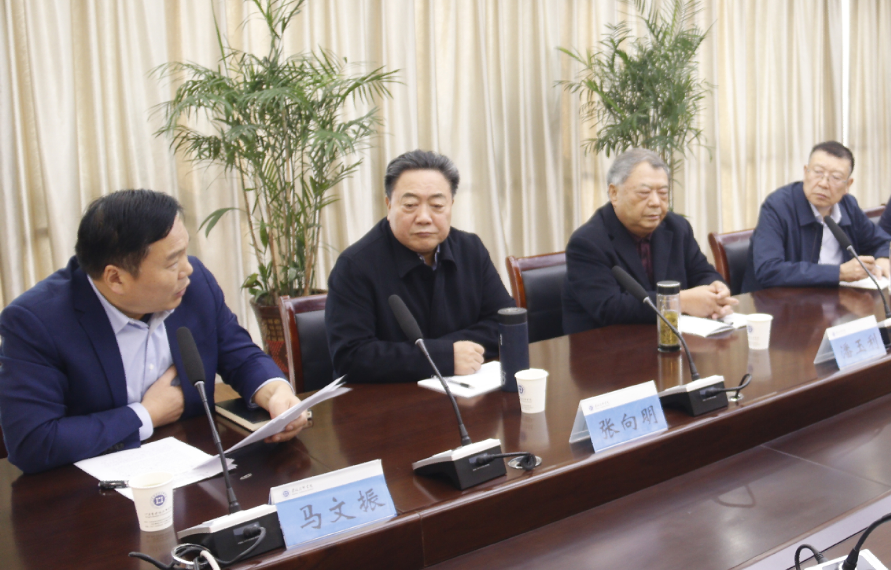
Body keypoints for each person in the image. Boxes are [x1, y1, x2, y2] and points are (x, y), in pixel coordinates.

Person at [0, 190, 303, 474]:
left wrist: (275, 390)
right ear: (115, 279)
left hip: (198, 470)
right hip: (93, 490)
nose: (188, 269)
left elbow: (239, 354)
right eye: (172, 262)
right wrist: (146, 415)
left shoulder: (194, 285)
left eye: (185, 253)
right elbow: (33, 442)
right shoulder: (36, 322)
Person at [326, 151, 514, 382]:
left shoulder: (471, 249)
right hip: (385, 398)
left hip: (467, 391)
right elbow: (351, 356)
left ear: (451, 205)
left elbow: (506, 324)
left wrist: (445, 352)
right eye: (410, 205)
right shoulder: (355, 266)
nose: (424, 217)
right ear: (389, 205)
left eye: (437, 205)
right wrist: (443, 356)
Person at [562, 148, 736, 334]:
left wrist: (716, 290)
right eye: (644, 192)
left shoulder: (677, 228)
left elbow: (703, 272)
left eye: (663, 193)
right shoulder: (587, 243)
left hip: (670, 340)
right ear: (614, 193)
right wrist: (678, 301)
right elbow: (610, 307)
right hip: (606, 345)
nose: (655, 202)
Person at [742, 141, 891, 291]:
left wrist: (883, 258)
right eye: (818, 172)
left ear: (848, 185)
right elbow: (769, 270)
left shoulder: (848, 206)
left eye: (835, 177)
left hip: (838, 297)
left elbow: (883, 242)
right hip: (783, 300)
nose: (823, 184)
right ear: (806, 172)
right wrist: (839, 273)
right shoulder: (778, 206)